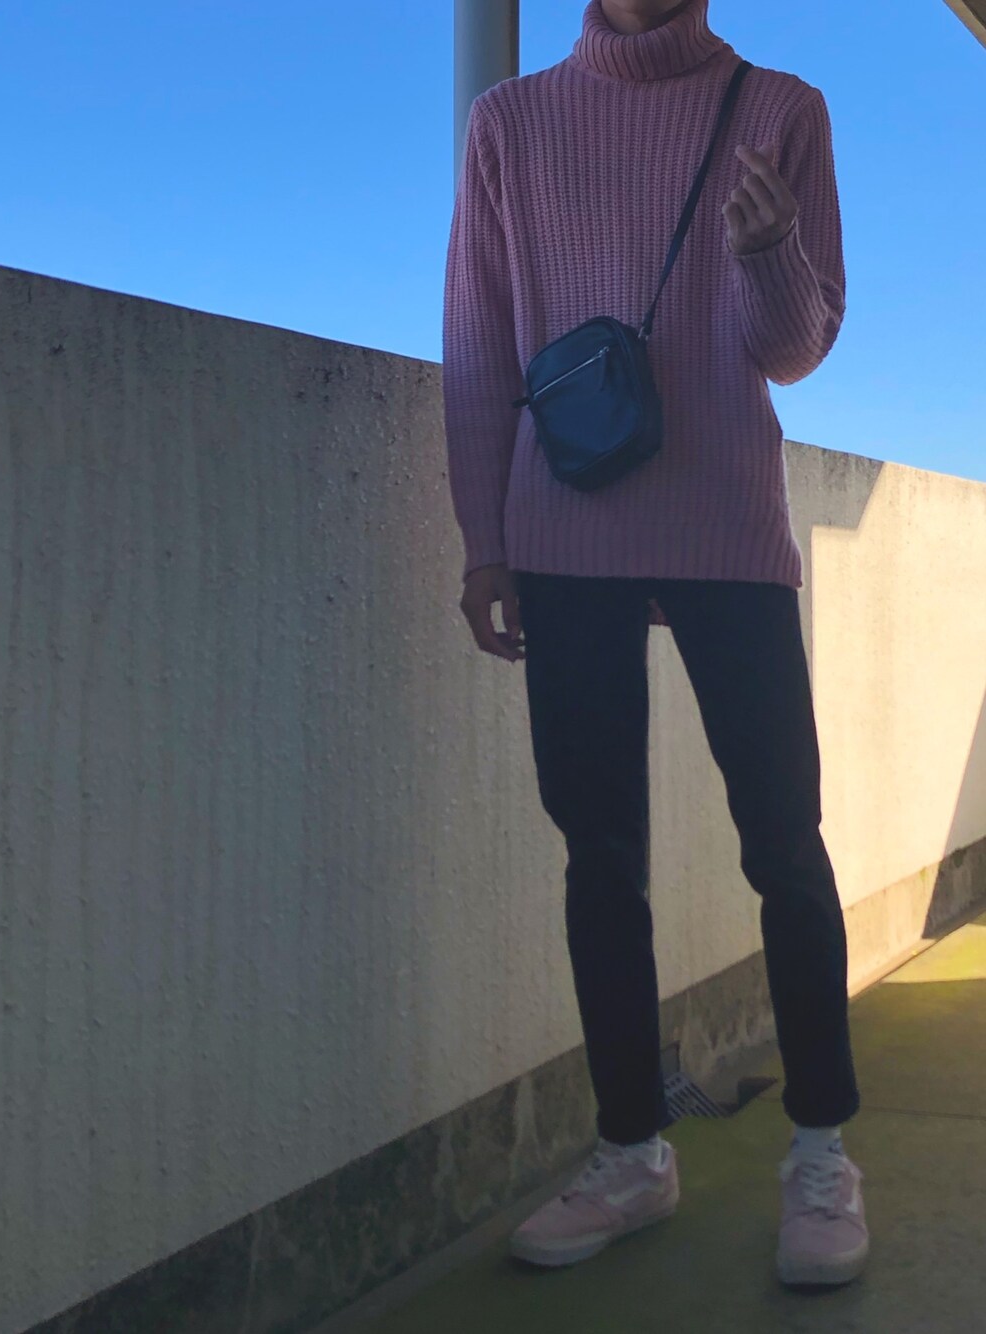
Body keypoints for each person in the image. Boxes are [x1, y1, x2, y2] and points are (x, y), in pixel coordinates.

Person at [442, 0, 868, 1290]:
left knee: (786, 842)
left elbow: (796, 349)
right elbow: (479, 338)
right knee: (601, 856)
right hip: (562, 525)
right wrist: (483, 538)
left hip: (726, 521)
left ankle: (823, 1151)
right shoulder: (510, 122)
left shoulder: (781, 108)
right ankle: (632, 1152)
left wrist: (771, 253)